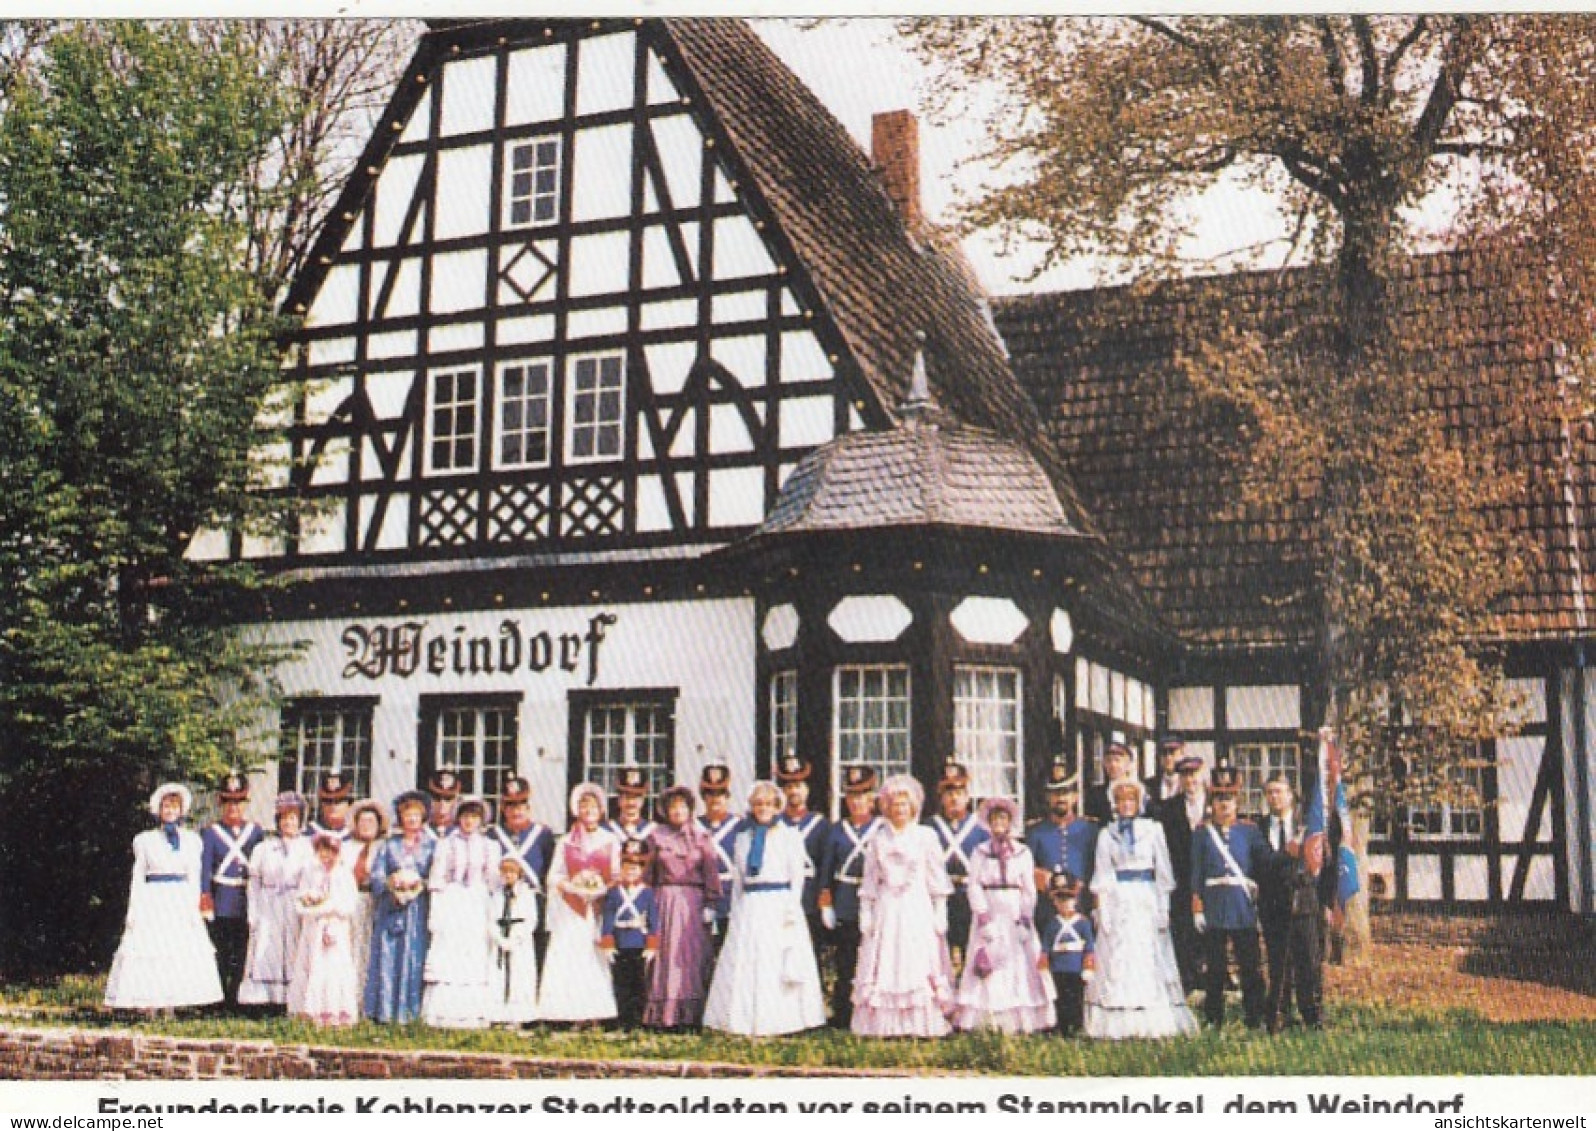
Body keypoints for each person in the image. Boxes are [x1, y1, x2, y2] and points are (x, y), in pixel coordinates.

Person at [703, 781, 826, 1036]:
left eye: (768, 804)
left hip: (779, 902)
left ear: (777, 806)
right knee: (747, 962)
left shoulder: (789, 836)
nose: (763, 809)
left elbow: (797, 876)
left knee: (777, 961)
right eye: (758, 804)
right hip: (751, 904)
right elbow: (738, 878)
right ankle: (744, 1018)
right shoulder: (742, 838)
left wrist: (792, 908)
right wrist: (736, 909)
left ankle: (785, 1020)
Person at [1084, 779, 1197, 1039]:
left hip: (1146, 897)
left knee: (1148, 953)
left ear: (1139, 803)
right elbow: (1103, 873)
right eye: (1122, 801)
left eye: (1131, 800)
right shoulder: (1107, 834)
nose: (1126, 805)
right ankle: (1117, 1020)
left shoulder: (1154, 830)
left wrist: (1163, 907)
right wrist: (1103, 909)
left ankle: (1153, 1018)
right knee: (1119, 956)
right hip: (1120, 898)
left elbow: (1164, 872)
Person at [851, 774, 955, 1038]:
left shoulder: (925, 836)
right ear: (886, 807)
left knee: (917, 961)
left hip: (916, 905)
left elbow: (936, 877)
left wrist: (939, 909)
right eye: (894, 804)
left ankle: (921, 1023)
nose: (899, 809)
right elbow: (871, 878)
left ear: (913, 807)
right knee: (886, 960)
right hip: (888, 908)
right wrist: (867, 911)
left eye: (904, 804)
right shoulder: (878, 838)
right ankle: (884, 1025)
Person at [104, 783, 224, 1012]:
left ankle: (173, 1002)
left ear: (181, 810)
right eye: (166, 806)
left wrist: (196, 907)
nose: (170, 810)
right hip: (154, 899)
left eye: (174, 806)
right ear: (159, 810)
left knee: (177, 947)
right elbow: (138, 877)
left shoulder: (191, 840)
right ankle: (149, 1003)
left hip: (180, 899)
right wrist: (134, 910)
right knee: (151, 948)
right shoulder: (145, 840)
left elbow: (195, 875)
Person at [954, 795, 1053, 1034]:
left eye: (1003, 818)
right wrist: (983, 917)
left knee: (1018, 962)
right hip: (990, 910)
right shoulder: (980, 852)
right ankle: (986, 1019)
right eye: (994, 818)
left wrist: (1025, 920)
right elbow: (974, 884)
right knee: (988, 959)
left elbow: (1029, 889)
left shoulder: (1022, 852)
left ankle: (1022, 1019)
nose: (999, 822)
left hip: (1014, 911)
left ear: (1010, 822)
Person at [1191, 765, 1269, 1030]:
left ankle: (1254, 1015)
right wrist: (1197, 906)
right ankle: (1214, 1017)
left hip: (1241, 905)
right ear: (1212, 803)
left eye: (1229, 799)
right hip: (1214, 905)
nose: (1224, 805)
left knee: (1250, 964)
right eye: (1219, 799)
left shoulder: (1249, 831)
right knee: (1215, 966)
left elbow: (1262, 866)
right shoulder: (1202, 834)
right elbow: (1196, 871)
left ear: (1237, 801)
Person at [538, 782, 621, 1025]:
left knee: (592, 957)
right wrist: (574, 887)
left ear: (602, 810)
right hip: (570, 906)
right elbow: (553, 876)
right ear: (577, 810)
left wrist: (599, 890)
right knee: (569, 956)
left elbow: (616, 874)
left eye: (593, 806)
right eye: (584, 806)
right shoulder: (566, 841)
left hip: (596, 907)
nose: (589, 811)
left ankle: (593, 1014)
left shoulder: (611, 840)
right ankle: (564, 1013)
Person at [643, 784, 721, 1029]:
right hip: (664, 900)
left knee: (690, 956)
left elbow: (711, 871)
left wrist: (711, 901)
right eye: (672, 806)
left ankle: (690, 1015)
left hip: (693, 902)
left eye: (682, 806)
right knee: (665, 956)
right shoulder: (656, 837)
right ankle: (663, 1014)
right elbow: (648, 873)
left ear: (690, 809)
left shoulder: (701, 837)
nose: (677, 811)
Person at [423, 794, 502, 1029]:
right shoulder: (446, 844)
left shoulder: (490, 846)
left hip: (478, 902)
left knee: (474, 953)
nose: (469, 822)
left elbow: (493, 880)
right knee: (451, 953)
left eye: (474, 817)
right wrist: (438, 908)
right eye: (465, 816)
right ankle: (444, 1013)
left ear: (481, 820)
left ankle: (473, 1013)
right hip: (453, 900)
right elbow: (438, 878)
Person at [1257, 775, 1325, 1031]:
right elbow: (1261, 863)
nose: (1274, 797)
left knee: (1308, 962)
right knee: (1278, 963)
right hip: (1273, 905)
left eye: (1279, 792)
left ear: (1291, 796)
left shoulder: (1307, 827)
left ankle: (1313, 1017)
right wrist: (1286, 853)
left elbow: (1322, 862)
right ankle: (1278, 1015)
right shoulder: (1259, 827)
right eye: (1270, 792)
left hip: (1304, 902)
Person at [817, 765, 881, 1029]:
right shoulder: (837, 830)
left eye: (863, 795)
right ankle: (843, 1012)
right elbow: (826, 871)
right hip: (845, 901)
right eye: (852, 796)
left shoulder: (881, 828)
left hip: (875, 901)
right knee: (845, 962)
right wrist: (826, 904)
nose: (857, 802)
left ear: (872, 798)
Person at [365, 790, 436, 1023]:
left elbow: (437, 875)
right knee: (388, 954)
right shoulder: (389, 845)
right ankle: (384, 1011)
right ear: (401, 818)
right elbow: (376, 874)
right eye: (408, 815)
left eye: (416, 815)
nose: (412, 819)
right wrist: (390, 884)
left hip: (417, 909)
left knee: (413, 955)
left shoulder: (431, 846)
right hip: (390, 906)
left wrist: (419, 885)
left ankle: (409, 1013)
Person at [239, 792, 314, 1010]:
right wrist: (253, 912)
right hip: (269, 903)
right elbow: (254, 883)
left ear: (300, 822)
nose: (288, 823)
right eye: (284, 818)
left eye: (293, 818)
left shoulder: (308, 848)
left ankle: (291, 998)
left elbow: (312, 878)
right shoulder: (263, 848)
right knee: (265, 946)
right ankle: (262, 998)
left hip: (294, 903)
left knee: (293, 948)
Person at [199, 772, 263, 1011]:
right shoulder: (210, 833)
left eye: (238, 801)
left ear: (245, 803)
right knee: (222, 950)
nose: (233, 807)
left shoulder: (255, 833)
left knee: (243, 950)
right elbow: (205, 868)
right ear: (220, 803)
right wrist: (205, 897)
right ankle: (219, 998)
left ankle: (237, 996)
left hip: (246, 898)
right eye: (228, 801)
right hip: (222, 898)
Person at [289, 831, 359, 1027]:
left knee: (334, 966)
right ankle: (312, 1009)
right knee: (313, 964)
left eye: (331, 852)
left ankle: (337, 1010)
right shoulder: (311, 873)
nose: (327, 857)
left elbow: (350, 904)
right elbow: (300, 899)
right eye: (322, 852)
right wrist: (311, 902)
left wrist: (330, 907)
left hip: (336, 925)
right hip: (315, 925)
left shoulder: (344, 874)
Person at [927, 760, 989, 972]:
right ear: (941, 797)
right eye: (948, 793)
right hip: (939, 898)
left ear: (967, 795)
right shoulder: (930, 827)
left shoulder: (980, 827)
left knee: (971, 952)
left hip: (968, 895)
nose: (954, 798)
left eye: (959, 792)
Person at [1156, 752, 1209, 993]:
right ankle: (1188, 982)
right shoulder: (1168, 809)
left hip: (1211, 879)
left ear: (1203, 774)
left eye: (1194, 775)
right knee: (1184, 931)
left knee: (1211, 931)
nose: (1191, 781)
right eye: (1185, 776)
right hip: (1181, 879)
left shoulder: (1216, 803)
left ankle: (1212, 982)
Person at [492, 774, 555, 969]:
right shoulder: (493, 835)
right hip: (503, 901)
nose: (516, 810)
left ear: (528, 807)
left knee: (534, 954)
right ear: (503, 807)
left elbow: (549, 869)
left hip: (533, 901)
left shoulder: (543, 835)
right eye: (510, 805)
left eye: (520, 805)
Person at [1025, 756, 1098, 919]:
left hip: (1082, 909)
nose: (1061, 799)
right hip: (1047, 911)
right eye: (1055, 793)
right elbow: (1026, 869)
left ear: (1075, 796)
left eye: (1065, 792)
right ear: (1047, 798)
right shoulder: (1035, 832)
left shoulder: (1090, 829)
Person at [601, 838, 659, 1029]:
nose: (631, 872)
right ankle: (622, 1019)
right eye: (627, 868)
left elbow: (653, 920)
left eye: (635, 868)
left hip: (638, 942)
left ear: (641, 871)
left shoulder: (647, 893)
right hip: (620, 942)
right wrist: (608, 944)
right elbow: (608, 918)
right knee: (621, 983)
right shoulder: (614, 893)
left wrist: (651, 946)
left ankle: (637, 1021)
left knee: (638, 984)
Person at [776, 754, 829, 955]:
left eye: (798, 786)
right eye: (788, 787)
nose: (793, 791)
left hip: (809, 900)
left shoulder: (820, 825)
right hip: (782, 897)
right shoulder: (775, 825)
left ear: (806, 789)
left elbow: (825, 867)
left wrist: (824, 901)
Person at [1038, 869, 1095, 1036]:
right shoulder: (1052, 924)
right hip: (1058, 969)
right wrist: (1044, 969)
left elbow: (1089, 947)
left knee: (1076, 1000)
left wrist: (1089, 968)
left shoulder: (1082, 923)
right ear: (1054, 901)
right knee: (1060, 1000)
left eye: (1068, 898)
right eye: (1060, 899)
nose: (1064, 903)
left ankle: (1077, 1028)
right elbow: (1045, 948)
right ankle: (1062, 1028)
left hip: (1076, 968)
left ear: (1075, 900)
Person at [486, 856, 540, 1027]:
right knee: (499, 976)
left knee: (520, 976)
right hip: (501, 937)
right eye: (505, 872)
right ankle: (498, 1015)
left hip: (519, 939)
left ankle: (517, 1017)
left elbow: (531, 920)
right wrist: (500, 939)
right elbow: (490, 919)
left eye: (512, 872)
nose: (508, 876)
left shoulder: (526, 894)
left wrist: (516, 939)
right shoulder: (497, 895)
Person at [343, 799, 387, 1006]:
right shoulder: (346, 848)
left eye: (371, 821)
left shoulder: (384, 848)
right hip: (352, 899)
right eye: (362, 821)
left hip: (377, 901)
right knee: (351, 949)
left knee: (371, 950)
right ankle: (349, 999)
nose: (367, 825)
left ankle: (370, 1002)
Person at [696, 764, 739, 955]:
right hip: (701, 898)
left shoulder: (740, 825)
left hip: (731, 897)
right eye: (710, 793)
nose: (715, 799)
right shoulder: (694, 826)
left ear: (727, 795)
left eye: (720, 793)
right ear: (703, 796)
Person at [1085, 742, 1141, 824]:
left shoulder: (1141, 791)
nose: (1113, 765)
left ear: (1129, 764)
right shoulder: (1095, 794)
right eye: (1108, 760)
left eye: (1117, 760)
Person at [605, 766, 658, 842]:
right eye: (627, 797)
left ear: (643, 800)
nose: (631, 802)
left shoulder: (654, 831)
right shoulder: (605, 829)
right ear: (619, 799)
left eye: (636, 797)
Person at [308, 772, 354, 844]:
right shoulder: (309, 833)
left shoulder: (357, 835)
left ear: (349, 805)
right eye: (327, 801)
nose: (333, 806)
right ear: (321, 804)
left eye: (339, 801)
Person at [1145, 738, 1187, 807]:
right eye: (1164, 753)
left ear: (1182, 754)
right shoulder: (1149, 786)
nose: (1168, 757)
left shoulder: (1189, 784)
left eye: (1172, 752)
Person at [425, 768, 460, 841]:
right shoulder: (419, 831)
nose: (442, 805)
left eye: (448, 799)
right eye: (437, 799)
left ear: (457, 801)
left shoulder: (463, 832)